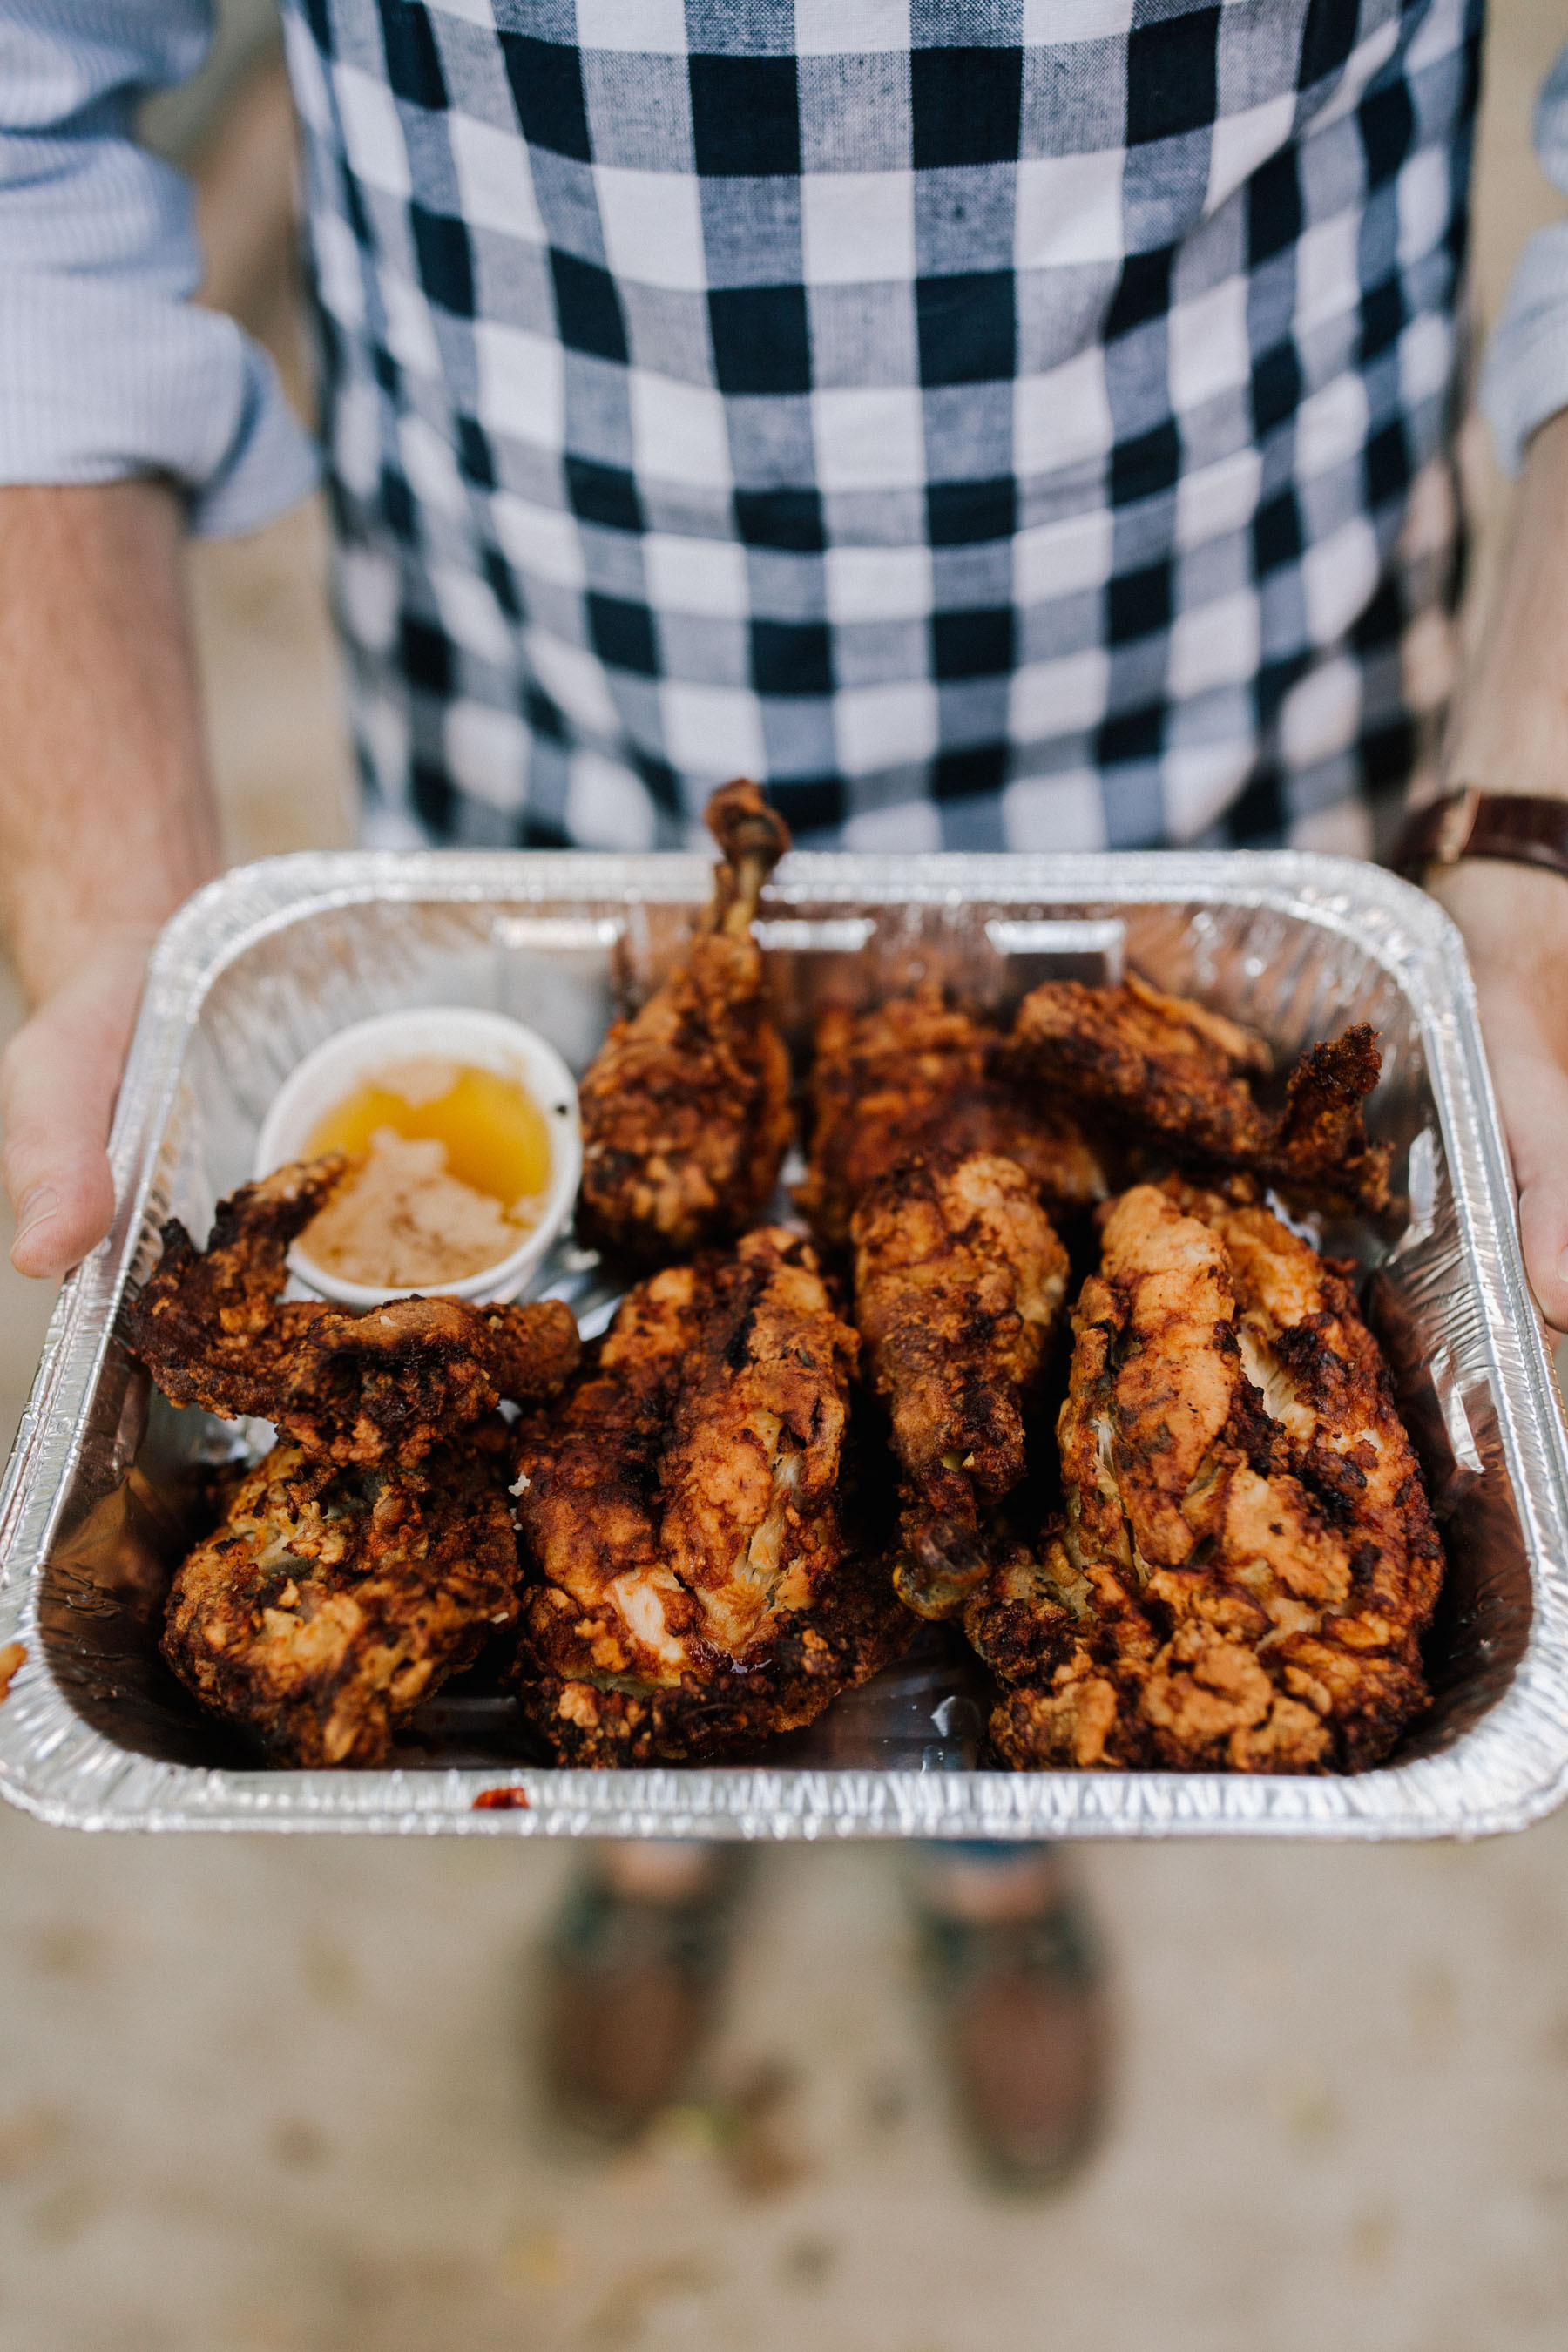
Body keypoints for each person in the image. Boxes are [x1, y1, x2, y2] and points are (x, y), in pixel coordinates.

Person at [4, 0, 1568, 2188]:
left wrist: (1535, 860)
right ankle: (666, 1848)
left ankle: (996, 1869)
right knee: (699, 1512)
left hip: (1225, 696)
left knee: (961, 1539)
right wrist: (121, 948)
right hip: (547, 684)